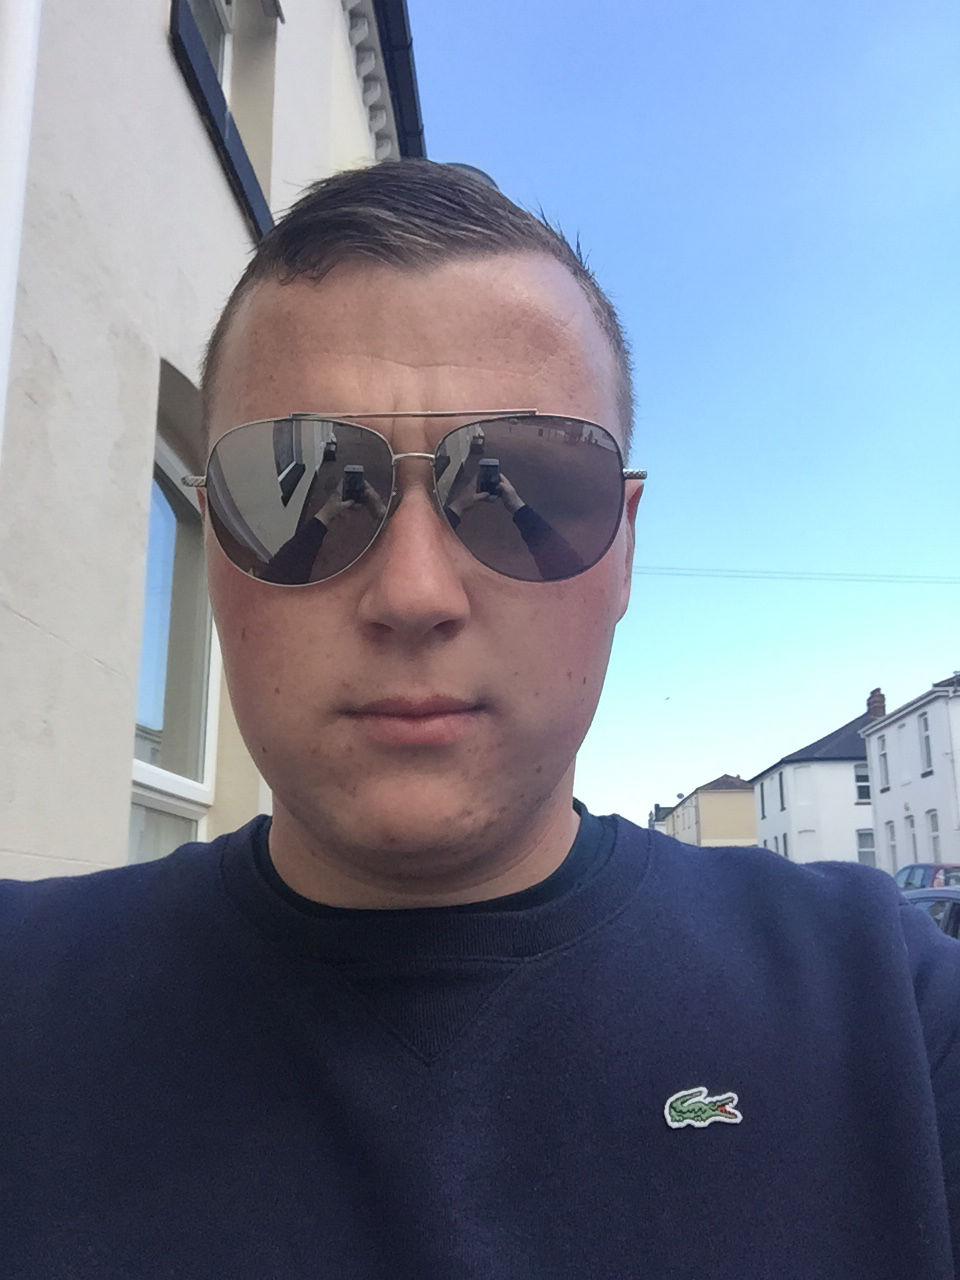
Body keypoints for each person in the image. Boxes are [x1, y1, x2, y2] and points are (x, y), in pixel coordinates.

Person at [2, 160, 958, 1279]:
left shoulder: (890, 1010)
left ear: (625, 549)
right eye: (301, 490)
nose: (414, 593)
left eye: (526, 489)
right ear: (215, 543)